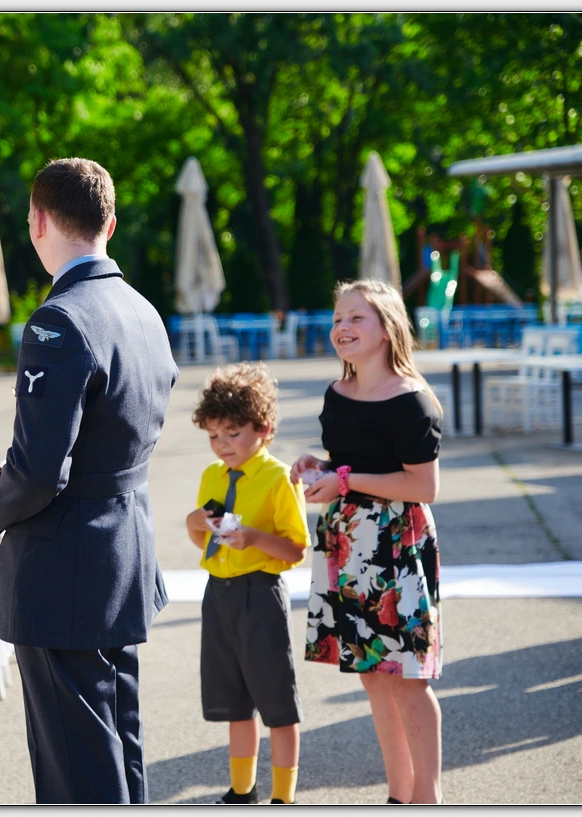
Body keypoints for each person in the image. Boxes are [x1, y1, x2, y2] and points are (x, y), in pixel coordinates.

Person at [0, 158, 178, 804]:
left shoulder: (58, 319)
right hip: (124, 548)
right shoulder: (142, 310)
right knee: (119, 743)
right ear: (109, 224)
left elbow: (40, 472)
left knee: (76, 766)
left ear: (37, 221)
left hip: (65, 564)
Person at [290, 279, 444, 805]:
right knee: (373, 674)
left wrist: (344, 480)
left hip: (395, 547)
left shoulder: (412, 401)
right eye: (338, 318)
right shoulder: (338, 393)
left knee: (408, 678)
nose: (343, 327)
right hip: (348, 541)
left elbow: (423, 487)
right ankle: (398, 796)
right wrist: (320, 466)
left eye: (356, 317)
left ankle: (428, 799)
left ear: (387, 328)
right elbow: (352, 462)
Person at [184, 362, 310, 805]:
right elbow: (202, 538)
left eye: (233, 433)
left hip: (260, 593)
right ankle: (243, 791)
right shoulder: (211, 476)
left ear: (264, 429)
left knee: (277, 703)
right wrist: (195, 521)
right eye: (214, 435)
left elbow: (296, 550)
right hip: (218, 593)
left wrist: (254, 538)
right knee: (234, 702)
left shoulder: (278, 478)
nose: (222, 444)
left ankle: (283, 798)